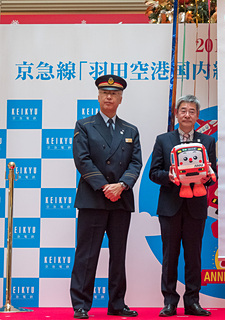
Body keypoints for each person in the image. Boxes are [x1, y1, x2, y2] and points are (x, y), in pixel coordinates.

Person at [70, 75, 142, 319]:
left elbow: (135, 163)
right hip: (93, 198)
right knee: (87, 254)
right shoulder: (84, 125)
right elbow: (82, 160)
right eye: (104, 93)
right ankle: (81, 304)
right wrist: (105, 187)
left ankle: (117, 304)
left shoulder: (130, 130)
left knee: (119, 254)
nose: (109, 97)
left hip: (121, 199)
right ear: (98, 96)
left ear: (121, 98)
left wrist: (121, 185)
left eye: (114, 94)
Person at [149, 95, 216, 317]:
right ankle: (169, 301)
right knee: (170, 256)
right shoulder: (163, 140)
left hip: (196, 206)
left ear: (197, 117)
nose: (187, 115)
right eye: (183, 110)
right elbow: (153, 173)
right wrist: (170, 177)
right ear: (176, 114)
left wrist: (206, 177)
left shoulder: (207, 141)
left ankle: (192, 301)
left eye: (192, 111)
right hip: (170, 206)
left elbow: (211, 174)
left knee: (194, 255)